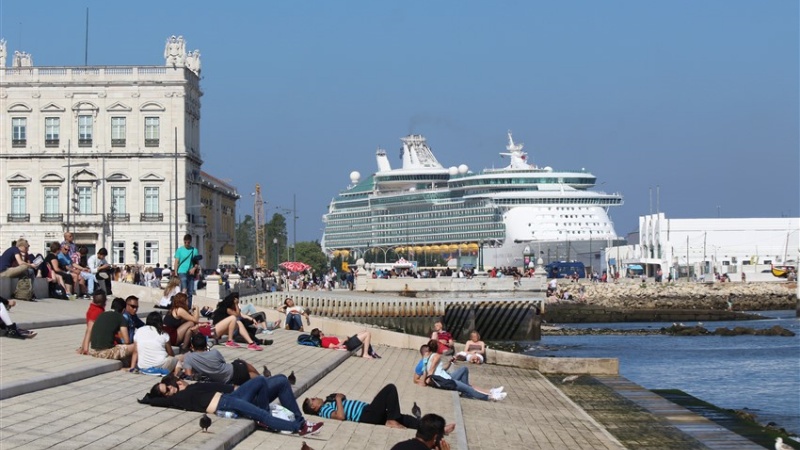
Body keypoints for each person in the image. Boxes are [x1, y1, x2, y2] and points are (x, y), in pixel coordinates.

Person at [141, 373, 323, 436]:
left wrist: (237, 388)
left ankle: (298, 419)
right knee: (263, 415)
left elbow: (217, 386)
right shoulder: (178, 399)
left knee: (280, 380)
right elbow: (158, 401)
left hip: (233, 396)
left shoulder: (192, 387)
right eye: (167, 390)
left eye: (170, 386)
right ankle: (300, 427)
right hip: (226, 404)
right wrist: (149, 398)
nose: (172, 389)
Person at [303, 383, 451, 432]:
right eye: (313, 400)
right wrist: (338, 399)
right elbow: (340, 416)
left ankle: (437, 429)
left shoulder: (327, 404)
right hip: (366, 415)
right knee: (390, 389)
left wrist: (336, 398)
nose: (316, 397)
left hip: (369, 412)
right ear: (315, 408)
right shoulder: (325, 411)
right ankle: (391, 421)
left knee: (402, 417)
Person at [423, 340, 505, 401]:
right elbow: (431, 369)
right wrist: (427, 380)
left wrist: (450, 362)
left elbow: (439, 369)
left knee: (464, 369)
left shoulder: (429, 357)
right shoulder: (436, 356)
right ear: (437, 347)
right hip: (446, 380)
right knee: (468, 388)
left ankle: (469, 393)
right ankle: (489, 397)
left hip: (446, 376)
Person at [178, 333, 260, 385]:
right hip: (232, 371)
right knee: (243, 364)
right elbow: (223, 362)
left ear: (192, 346)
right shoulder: (214, 352)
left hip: (226, 379)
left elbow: (188, 375)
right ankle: (264, 379)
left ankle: (264, 379)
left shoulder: (189, 358)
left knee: (248, 375)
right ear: (205, 345)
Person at [88, 297, 134, 362]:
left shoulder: (102, 314)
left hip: (93, 350)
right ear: (123, 310)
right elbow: (127, 341)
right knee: (135, 346)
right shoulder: (121, 317)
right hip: (105, 353)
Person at [309, 328, 380, 359]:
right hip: (346, 345)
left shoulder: (324, 338)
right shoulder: (324, 341)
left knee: (364, 332)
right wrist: (344, 340)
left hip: (347, 343)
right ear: (319, 334)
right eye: (320, 331)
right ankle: (365, 354)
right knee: (367, 334)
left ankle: (364, 353)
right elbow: (335, 346)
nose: (321, 331)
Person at [173, 234, 199, 309]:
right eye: (185, 242)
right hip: (181, 271)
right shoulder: (180, 250)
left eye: (188, 242)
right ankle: (182, 307)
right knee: (184, 289)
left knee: (190, 291)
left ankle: (188, 308)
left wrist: (194, 269)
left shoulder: (194, 250)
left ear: (190, 242)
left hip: (191, 272)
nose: (186, 244)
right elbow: (176, 262)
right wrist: (175, 273)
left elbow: (197, 263)